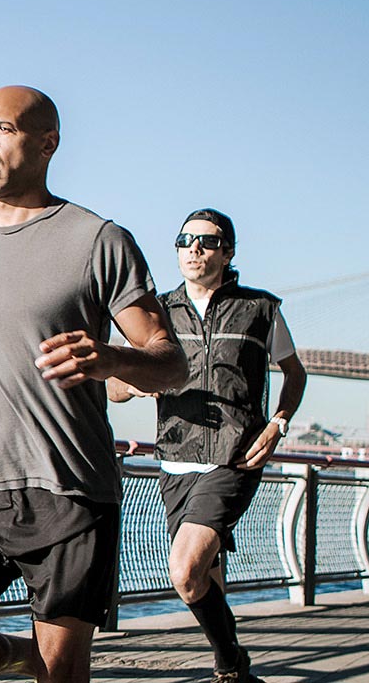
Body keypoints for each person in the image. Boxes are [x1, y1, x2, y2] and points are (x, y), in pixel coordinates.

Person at [0, 86, 188, 682]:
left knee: (63, 675)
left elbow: (170, 362)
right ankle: (21, 655)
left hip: (68, 489)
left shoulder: (98, 239)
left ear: (48, 142)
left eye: (2, 129)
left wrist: (110, 358)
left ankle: (47, 662)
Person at [108, 209, 307, 683]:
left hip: (236, 456)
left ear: (228, 251)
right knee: (204, 576)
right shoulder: (155, 311)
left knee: (184, 568)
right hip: (174, 461)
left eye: (207, 241)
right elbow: (113, 384)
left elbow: (294, 373)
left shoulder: (262, 309)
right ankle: (233, 665)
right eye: (185, 240)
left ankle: (228, 662)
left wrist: (278, 423)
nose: (194, 248)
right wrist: (137, 385)